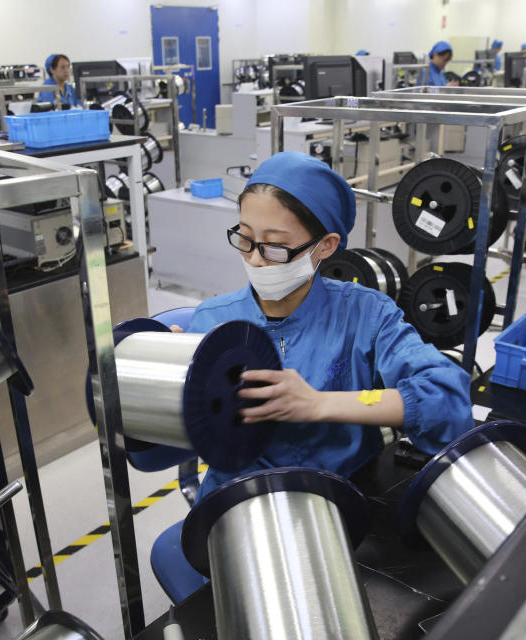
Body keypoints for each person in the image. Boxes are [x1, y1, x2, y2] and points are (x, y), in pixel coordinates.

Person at [182, 152, 473, 500]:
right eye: (244, 238)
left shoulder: (365, 315)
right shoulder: (212, 320)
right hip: (236, 501)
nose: (255, 259)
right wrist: (164, 370)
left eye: (275, 246)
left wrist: (320, 403)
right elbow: (157, 438)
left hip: (339, 498)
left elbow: (447, 400)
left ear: (325, 246)